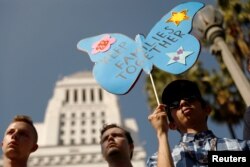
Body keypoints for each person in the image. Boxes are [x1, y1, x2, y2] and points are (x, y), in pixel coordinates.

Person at [147, 79, 250, 167]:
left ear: (207, 109)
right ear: (172, 124)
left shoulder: (241, 148)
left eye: (189, 96)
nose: (183, 102)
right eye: (174, 103)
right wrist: (162, 134)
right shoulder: (157, 160)